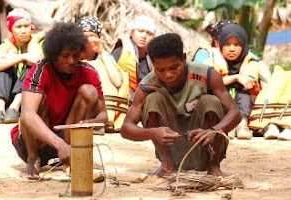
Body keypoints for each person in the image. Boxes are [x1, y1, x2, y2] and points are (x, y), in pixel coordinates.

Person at [120, 33, 241, 177]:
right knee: (153, 99)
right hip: (172, 149)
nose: (168, 75)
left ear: (183, 58)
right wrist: (152, 133)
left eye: (174, 67)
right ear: (153, 65)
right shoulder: (147, 85)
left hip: (205, 145)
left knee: (210, 101)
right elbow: (126, 128)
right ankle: (167, 165)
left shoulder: (207, 74)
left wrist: (214, 130)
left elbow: (235, 113)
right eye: (161, 70)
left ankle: (213, 167)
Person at [10, 22, 108, 178]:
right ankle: (33, 159)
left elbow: (104, 116)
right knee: (34, 106)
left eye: (76, 55)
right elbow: (27, 114)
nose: (71, 61)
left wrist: (89, 122)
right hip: (34, 142)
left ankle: (68, 160)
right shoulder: (42, 69)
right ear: (54, 54)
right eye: (65, 56)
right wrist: (59, 144)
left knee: (89, 91)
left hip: (65, 140)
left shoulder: (88, 72)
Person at [0, 8, 43, 123]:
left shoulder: (38, 41)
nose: (23, 30)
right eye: (18, 27)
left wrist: (6, 57)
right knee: (3, 68)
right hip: (7, 92)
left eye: (26, 26)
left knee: (32, 68)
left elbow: (36, 60)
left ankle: (13, 108)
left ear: (31, 27)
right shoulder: (6, 45)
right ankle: (0, 110)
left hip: (30, 96)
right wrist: (22, 57)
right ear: (11, 29)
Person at [78, 16, 129, 131]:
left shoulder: (105, 57)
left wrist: (101, 51)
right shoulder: (73, 56)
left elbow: (118, 82)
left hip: (105, 107)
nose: (88, 41)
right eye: (84, 36)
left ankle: (106, 119)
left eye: (93, 36)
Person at [111, 15, 156, 100]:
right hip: (122, 97)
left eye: (149, 33)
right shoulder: (121, 51)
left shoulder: (154, 58)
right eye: (140, 31)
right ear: (132, 32)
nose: (144, 36)